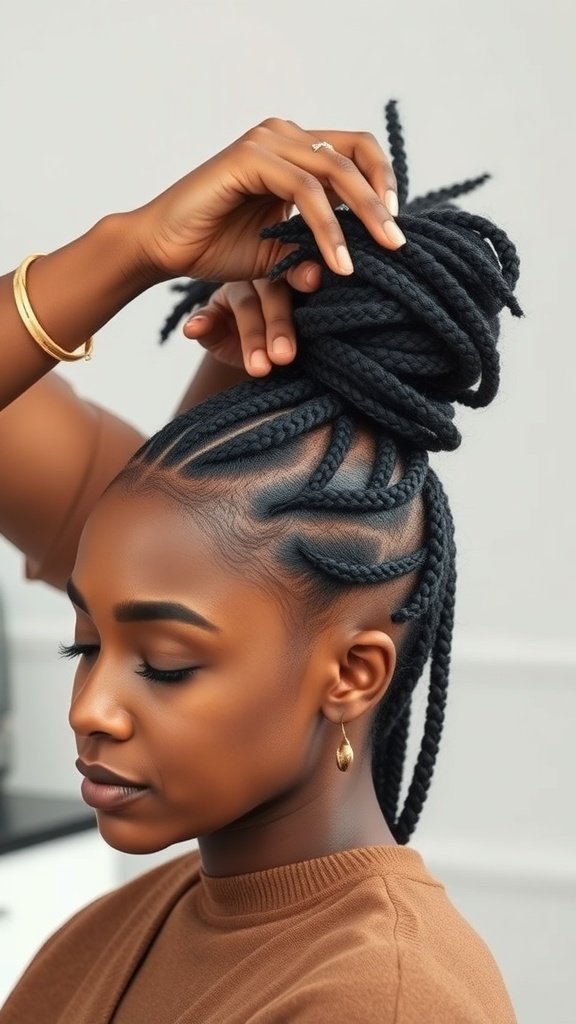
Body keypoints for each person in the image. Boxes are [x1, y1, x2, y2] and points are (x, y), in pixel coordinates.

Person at [0, 103, 520, 1022]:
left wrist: (130, 251)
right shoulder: (129, 925)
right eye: (83, 646)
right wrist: (133, 248)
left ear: (356, 673)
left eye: (166, 663)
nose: (90, 708)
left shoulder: (372, 1001)